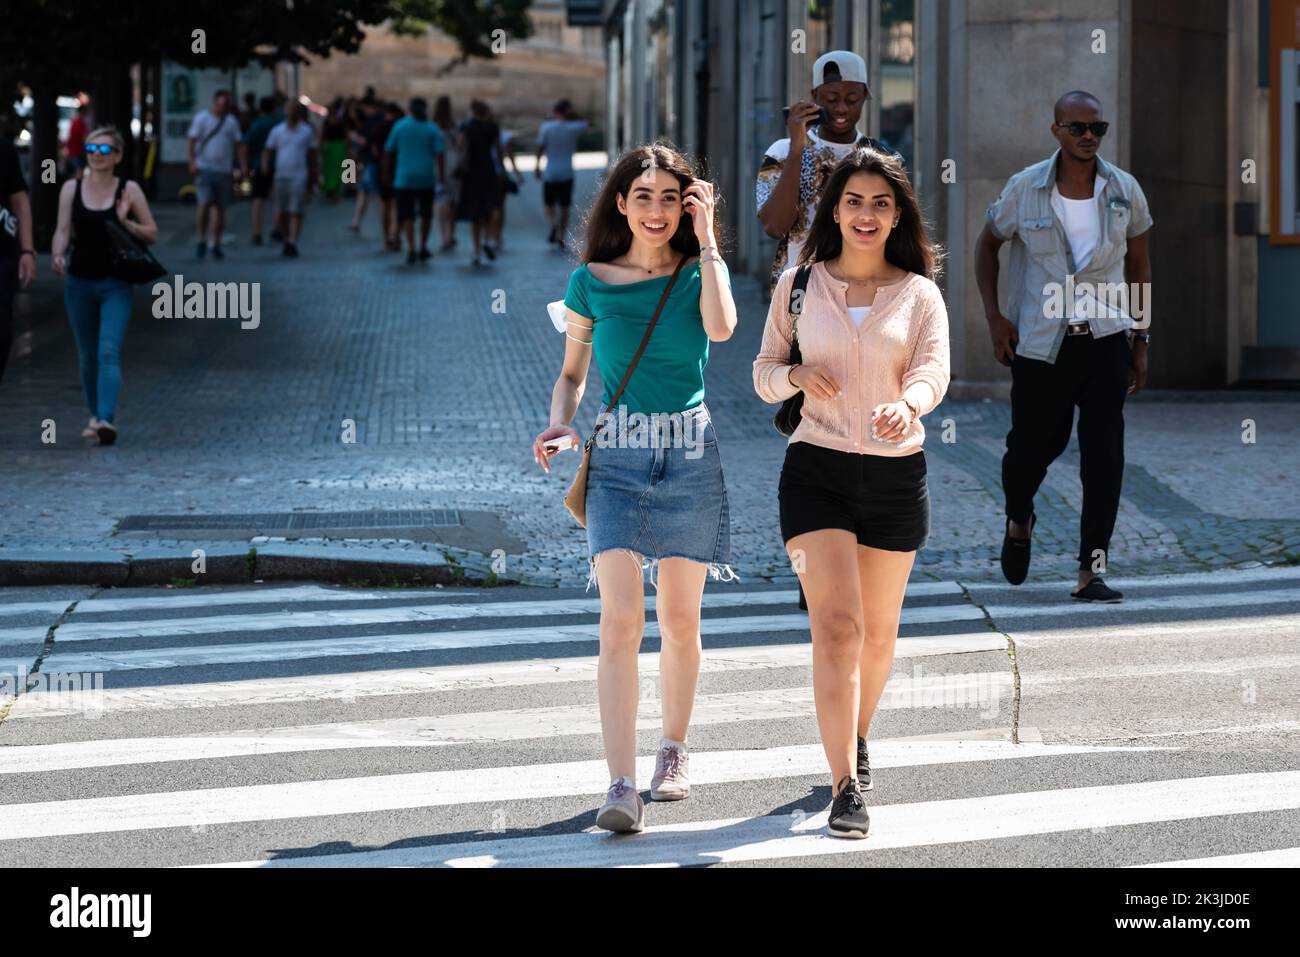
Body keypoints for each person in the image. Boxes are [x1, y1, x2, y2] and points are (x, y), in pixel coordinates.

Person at [533, 145, 738, 833]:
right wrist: (562, 425)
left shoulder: (696, 273)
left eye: (667, 197)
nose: (654, 210)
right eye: (640, 195)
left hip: (689, 451)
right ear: (619, 203)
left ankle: (673, 751)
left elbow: (723, 327)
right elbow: (572, 374)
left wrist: (708, 242)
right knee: (621, 619)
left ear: (687, 203)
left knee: (681, 617)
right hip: (617, 454)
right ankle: (620, 785)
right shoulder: (589, 282)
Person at [753, 147, 950, 839]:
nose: (866, 215)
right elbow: (763, 370)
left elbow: (933, 368)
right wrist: (796, 379)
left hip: (897, 476)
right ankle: (845, 785)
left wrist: (912, 405)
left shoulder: (920, 294)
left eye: (880, 204)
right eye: (854, 201)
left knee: (878, 633)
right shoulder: (799, 283)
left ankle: (857, 733)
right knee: (837, 627)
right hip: (815, 470)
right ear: (834, 209)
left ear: (898, 216)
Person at [975, 90, 1153, 603]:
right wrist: (994, 317)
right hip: (1039, 344)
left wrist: (1141, 340)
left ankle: (1090, 571)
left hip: (1105, 342)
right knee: (1029, 452)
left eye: (1097, 128)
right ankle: (1019, 518)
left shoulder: (1125, 190)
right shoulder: (1024, 188)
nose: (1088, 137)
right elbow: (988, 246)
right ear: (1056, 130)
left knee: (1105, 458)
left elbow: (1140, 268)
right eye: (1077, 128)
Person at [50, 126, 158, 446]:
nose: (97, 157)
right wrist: (57, 254)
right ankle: (94, 414)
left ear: (118, 156)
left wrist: (126, 222)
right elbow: (62, 230)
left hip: (116, 282)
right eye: (91, 151)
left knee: (108, 350)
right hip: (79, 281)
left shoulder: (129, 190)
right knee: (87, 355)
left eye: (104, 151)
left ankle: (106, 421)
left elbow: (152, 233)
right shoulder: (71, 189)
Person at [756, 50, 894, 293]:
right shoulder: (781, 152)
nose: (841, 109)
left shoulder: (883, 158)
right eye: (831, 99)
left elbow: (898, 231)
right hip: (800, 291)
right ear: (814, 98)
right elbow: (775, 226)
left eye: (852, 100)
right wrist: (797, 149)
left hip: (866, 291)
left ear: (865, 97)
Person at [384, 96, 445, 264]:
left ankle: (411, 247)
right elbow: (440, 154)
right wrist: (441, 177)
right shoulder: (432, 128)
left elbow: (388, 151)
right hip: (426, 178)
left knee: (407, 214)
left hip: (404, 178)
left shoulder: (400, 126)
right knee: (426, 215)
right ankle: (423, 246)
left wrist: (387, 173)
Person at [187, 90, 246, 260]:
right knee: (204, 204)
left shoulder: (231, 122)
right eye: (221, 104)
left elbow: (238, 145)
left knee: (220, 208)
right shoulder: (202, 118)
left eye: (226, 105)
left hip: (224, 170)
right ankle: (201, 240)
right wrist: (192, 162)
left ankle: (216, 242)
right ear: (214, 103)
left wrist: (242, 165)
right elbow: (191, 140)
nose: (223, 108)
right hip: (204, 167)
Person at [0, 136, 36, 386]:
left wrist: (27, 250)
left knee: (2, 335)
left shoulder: (3, 149)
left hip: (1, 256)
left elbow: (19, 200)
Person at [263, 101, 318, 258]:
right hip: (281, 175)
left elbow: (312, 154)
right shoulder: (277, 131)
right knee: (282, 211)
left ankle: (293, 240)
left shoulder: (306, 132)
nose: (291, 114)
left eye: (294, 111)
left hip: (299, 175)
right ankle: (287, 237)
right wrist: (266, 166)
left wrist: (313, 175)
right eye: (289, 111)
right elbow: (268, 150)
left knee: (296, 209)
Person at [456, 100, 503, 266]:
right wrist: (502, 171)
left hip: (471, 173)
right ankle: (488, 239)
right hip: (488, 170)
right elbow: (498, 151)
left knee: (474, 213)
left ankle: (476, 251)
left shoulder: (466, 126)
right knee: (492, 208)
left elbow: (460, 146)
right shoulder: (492, 127)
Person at [536, 99, 588, 250]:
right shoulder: (574, 127)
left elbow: (540, 147)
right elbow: (586, 122)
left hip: (550, 172)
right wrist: (574, 114)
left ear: (555, 112)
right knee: (565, 206)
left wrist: (537, 167)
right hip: (567, 172)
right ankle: (561, 236)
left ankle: (554, 223)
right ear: (567, 112)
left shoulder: (546, 127)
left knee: (548, 204)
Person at [242, 96, 278, 246]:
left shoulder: (256, 125)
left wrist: (245, 165)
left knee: (257, 200)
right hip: (277, 165)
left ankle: (257, 232)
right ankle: (277, 229)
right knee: (277, 199)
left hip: (258, 166)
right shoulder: (277, 124)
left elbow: (245, 145)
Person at [487, 119, 522, 254]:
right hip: (499, 176)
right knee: (499, 207)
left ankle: (490, 235)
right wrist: (517, 174)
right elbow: (510, 157)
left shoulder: (482, 137)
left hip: (486, 177)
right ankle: (497, 236)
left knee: (490, 208)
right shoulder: (505, 138)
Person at [432, 96, 461, 252]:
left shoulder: (433, 126)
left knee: (440, 200)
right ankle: (451, 234)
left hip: (438, 162)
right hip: (454, 161)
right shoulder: (454, 125)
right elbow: (459, 144)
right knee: (453, 201)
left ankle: (443, 236)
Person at [320, 97, 348, 202]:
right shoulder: (327, 122)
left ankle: (334, 191)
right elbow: (322, 136)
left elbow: (345, 136)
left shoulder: (340, 122)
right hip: (331, 147)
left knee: (336, 171)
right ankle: (330, 191)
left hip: (337, 147)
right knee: (329, 170)